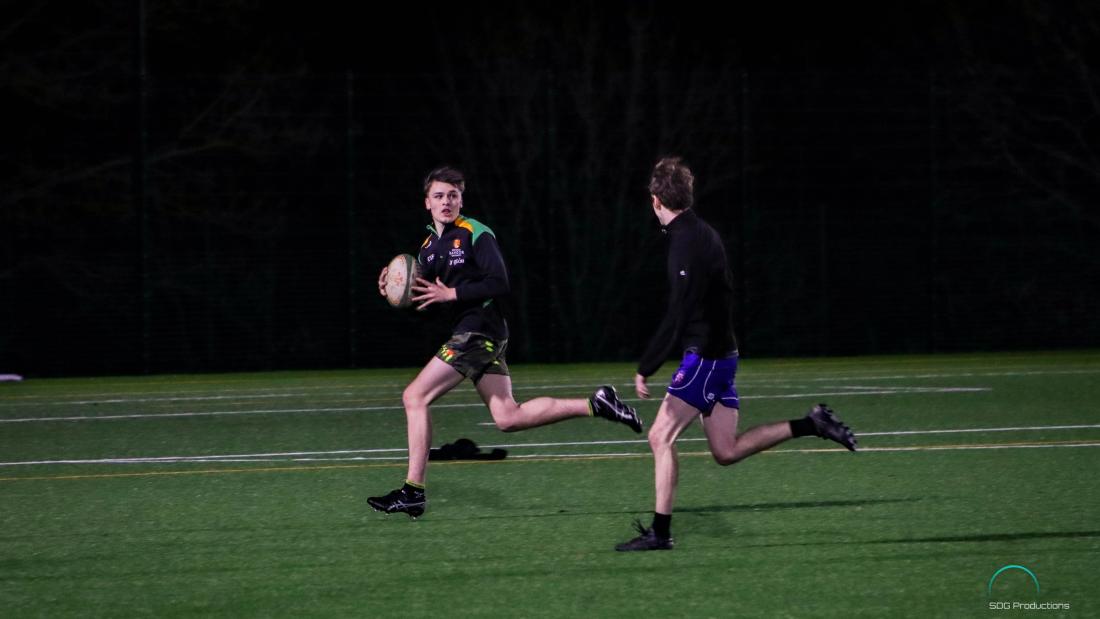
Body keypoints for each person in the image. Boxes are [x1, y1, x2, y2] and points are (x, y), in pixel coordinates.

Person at [368, 165, 643, 519]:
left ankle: (413, 492)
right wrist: (393, 288)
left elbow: (500, 282)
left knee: (414, 396)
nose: (446, 201)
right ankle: (597, 404)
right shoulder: (427, 248)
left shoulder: (475, 234)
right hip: (474, 333)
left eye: (453, 195)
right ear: (427, 203)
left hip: (479, 329)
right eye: (439, 196)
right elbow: (425, 297)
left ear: (461, 198)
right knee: (508, 417)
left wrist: (452, 292)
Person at [615, 157, 858, 551]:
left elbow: (678, 314)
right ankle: (812, 424)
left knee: (660, 436)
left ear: (656, 200)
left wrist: (646, 366)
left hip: (708, 358)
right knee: (725, 451)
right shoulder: (702, 233)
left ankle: (660, 533)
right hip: (723, 355)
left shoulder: (685, 242)